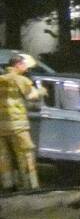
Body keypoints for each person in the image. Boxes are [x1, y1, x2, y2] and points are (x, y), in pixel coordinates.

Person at [0, 54, 43, 192]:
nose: (26, 68)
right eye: (24, 65)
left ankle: (8, 185)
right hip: (18, 126)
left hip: (1, 126)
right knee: (25, 155)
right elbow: (32, 96)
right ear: (17, 65)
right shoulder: (21, 80)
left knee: (4, 157)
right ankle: (30, 186)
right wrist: (41, 91)